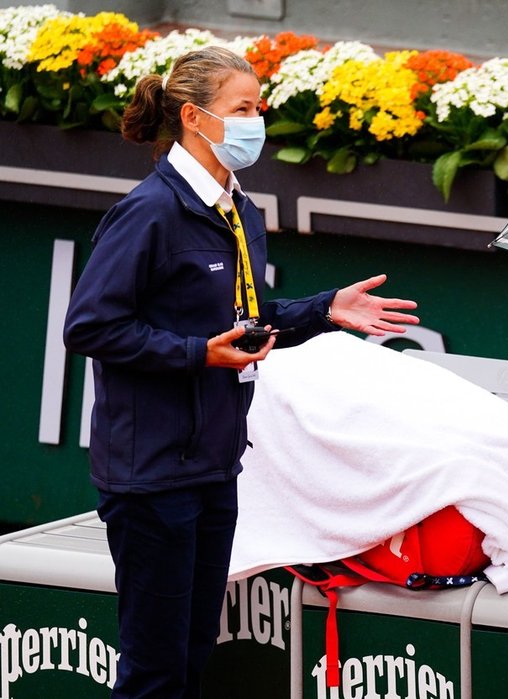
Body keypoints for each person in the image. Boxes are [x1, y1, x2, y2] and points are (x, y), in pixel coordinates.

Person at [62, 46, 418, 699]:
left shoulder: (239, 209)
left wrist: (325, 310)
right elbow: (89, 326)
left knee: (193, 657)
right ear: (195, 117)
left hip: (214, 470)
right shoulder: (150, 211)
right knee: (155, 672)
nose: (259, 120)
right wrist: (198, 353)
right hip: (150, 477)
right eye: (244, 109)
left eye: (259, 106)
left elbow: (244, 324)